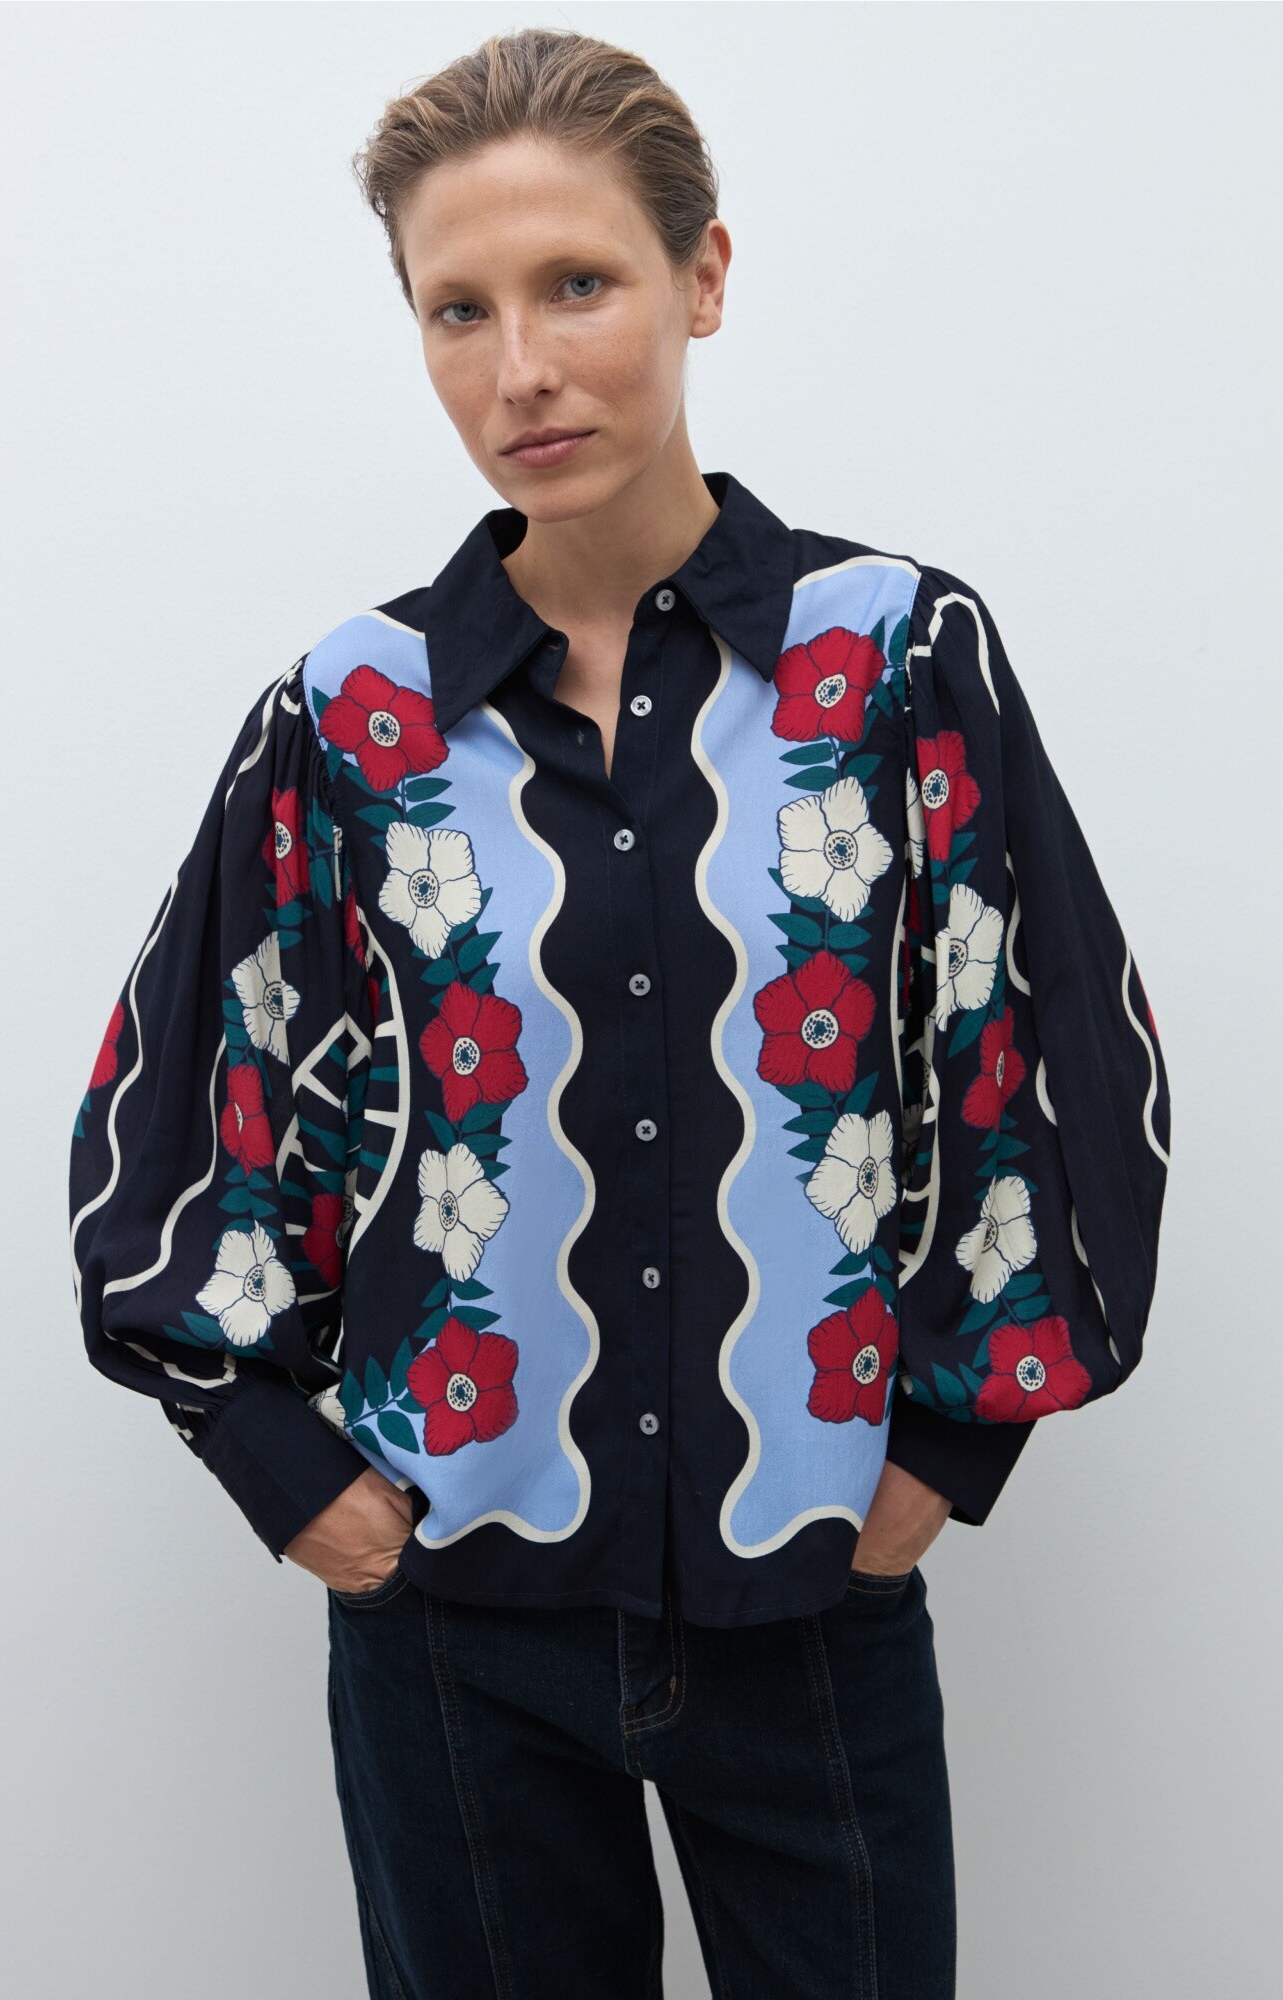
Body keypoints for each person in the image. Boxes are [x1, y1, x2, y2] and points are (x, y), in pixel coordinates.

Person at [66, 27, 1171, 2000]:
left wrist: (944, 1449)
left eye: (577, 283)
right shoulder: (349, 718)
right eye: (458, 309)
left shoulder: (897, 660)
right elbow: (190, 1097)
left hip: (812, 1607)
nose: (522, 369)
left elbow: (1044, 1056)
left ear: (702, 277)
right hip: (451, 1634)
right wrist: (285, 1470)